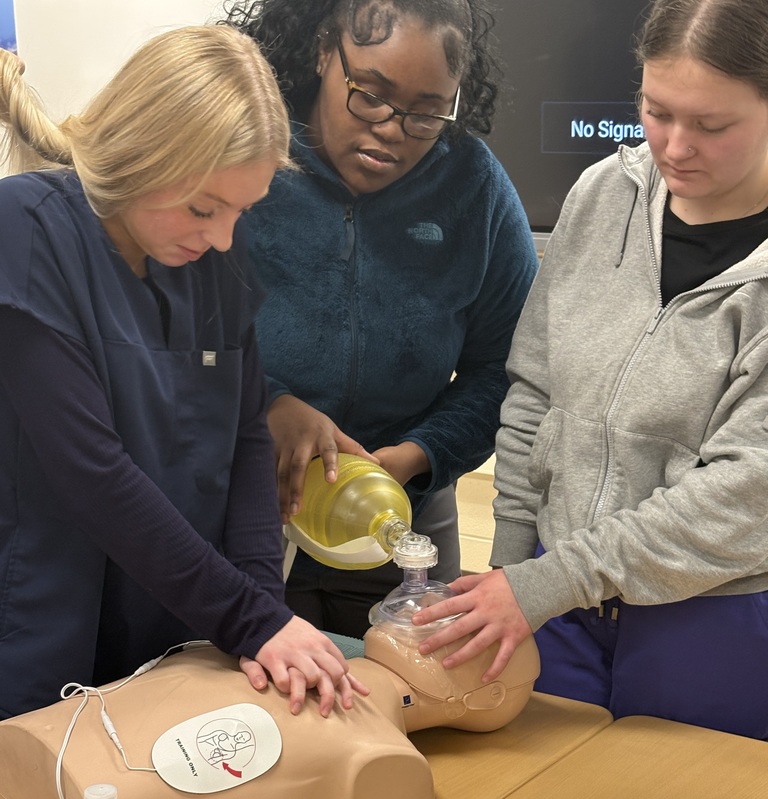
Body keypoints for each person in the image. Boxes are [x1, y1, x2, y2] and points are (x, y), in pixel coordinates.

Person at [412, 0, 768, 740]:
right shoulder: (604, 194)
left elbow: (748, 491)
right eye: (655, 111)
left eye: (710, 125)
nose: (674, 146)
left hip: (712, 609)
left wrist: (545, 582)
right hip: (554, 598)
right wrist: (510, 573)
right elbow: (534, 390)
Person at [0, 25, 369, 719]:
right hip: (42, 632)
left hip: (175, 629)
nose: (226, 237)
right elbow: (93, 471)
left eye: (242, 211)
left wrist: (261, 611)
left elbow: (246, 440)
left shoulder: (206, 254)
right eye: (205, 208)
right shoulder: (25, 236)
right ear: (142, 154)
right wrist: (249, 620)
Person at [223, 0, 539, 638]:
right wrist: (267, 405)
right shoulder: (241, 158)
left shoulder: (474, 188)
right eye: (370, 94)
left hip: (399, 515)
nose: (394, 129)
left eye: (427, 112)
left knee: (401, 701)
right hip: (236, 504)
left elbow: (509, 370)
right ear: (321, 52)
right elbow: (167, 335)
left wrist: (420, 456)